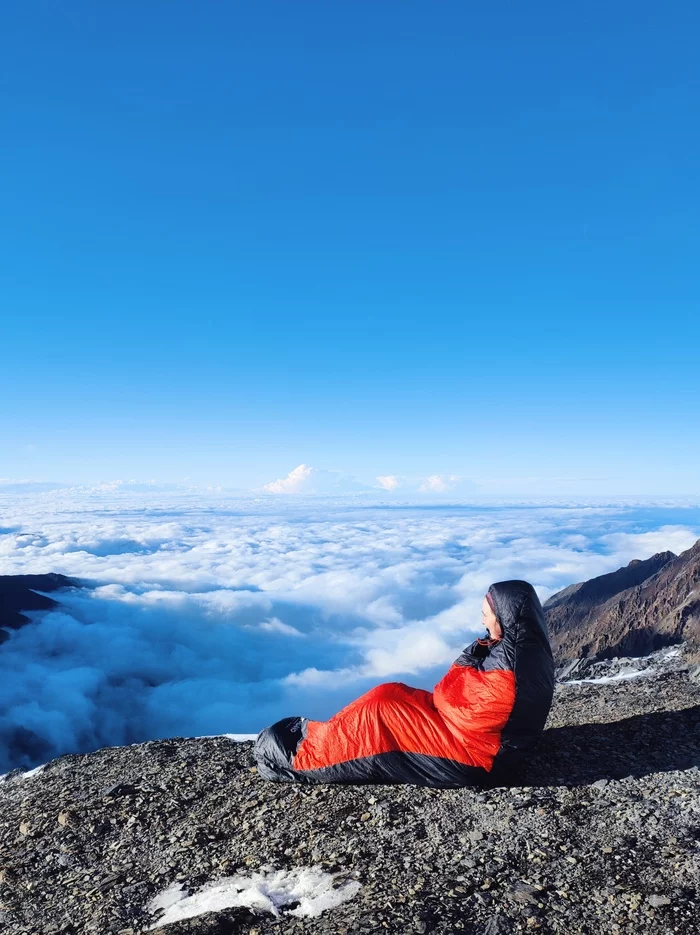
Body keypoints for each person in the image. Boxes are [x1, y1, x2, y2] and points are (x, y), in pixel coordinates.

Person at [254, 579, 554, 788]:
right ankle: (317, 737)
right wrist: (474, 655)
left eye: (487, 613)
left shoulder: (511, 665)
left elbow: (455, 701)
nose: (482, 619)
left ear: (504, 615)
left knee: (379, 719)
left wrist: (467, 663)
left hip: (477, 759)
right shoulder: (519, 646)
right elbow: (460, 696)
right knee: (389, 695)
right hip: (467, 736)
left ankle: (293, 757)